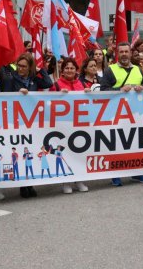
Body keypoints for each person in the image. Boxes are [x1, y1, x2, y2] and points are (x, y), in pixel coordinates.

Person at [0, 53, 53, 199]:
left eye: (24, 66)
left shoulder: (34, 80)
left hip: (32, 121)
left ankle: (29, 184)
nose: (20, 69)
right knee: (21, 151)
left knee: (30, 151)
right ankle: (23, 185)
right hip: (17, 121)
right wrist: (18, 93)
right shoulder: (11, 79)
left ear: (29, 68)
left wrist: (40, 70)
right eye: (19, 66)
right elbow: (6, 95)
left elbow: (48, 83)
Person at [100, 42, 143, 186]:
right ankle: (115, 174)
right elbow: (103, 90)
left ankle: (137, 172)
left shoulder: (138, 69)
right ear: (117, 54)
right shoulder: (110, 70)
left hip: (135, 114)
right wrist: (119, 90)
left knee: (135, 143)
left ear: (130, 53)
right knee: (117, 144)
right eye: (121, 52)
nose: (124, 54)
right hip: (117, 114)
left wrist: (142, 87)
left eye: (126, 52)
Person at [49, 58, 89, 193]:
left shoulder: (81, 84)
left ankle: (79, 179)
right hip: (63, 124)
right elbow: (47, 102)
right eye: (67, 68)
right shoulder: (56, 85)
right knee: (65, 152)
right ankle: (66, 181)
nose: (69, 70)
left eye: (72, 68)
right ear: (62, 70)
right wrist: (57, 95)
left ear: (76, 70)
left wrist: (89, 93)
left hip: (79, 124)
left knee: (79, 152)